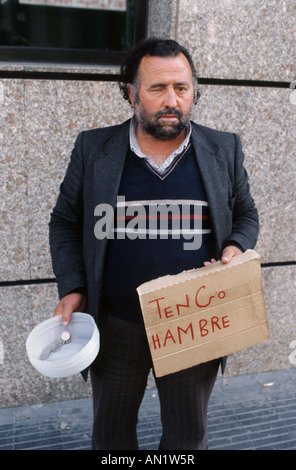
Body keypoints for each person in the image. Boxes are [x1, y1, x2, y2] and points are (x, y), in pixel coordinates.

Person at [49, 38, 259, 450]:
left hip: (193, 322)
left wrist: (235, 248)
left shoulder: (223, 149)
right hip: (116, 325)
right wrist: (73, 288)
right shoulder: (94, 149)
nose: (171, 101)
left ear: (194, 92)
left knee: (185, 438)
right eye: (157, 88)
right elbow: (64, 222)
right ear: (131, 94)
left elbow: (246, 215)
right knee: (111, 438)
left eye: (181, 88)